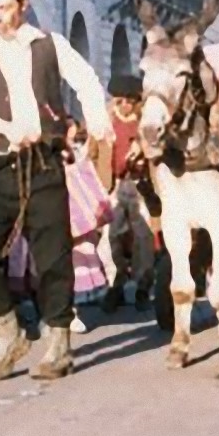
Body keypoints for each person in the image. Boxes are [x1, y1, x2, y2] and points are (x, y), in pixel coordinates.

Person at [0, 0, 112, 382]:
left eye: (6, 7)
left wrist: (96, 118)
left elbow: (88, 80)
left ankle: (58, 340)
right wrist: (3, 129)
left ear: (23, 4)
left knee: (53, 255)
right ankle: (7, 331)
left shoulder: (48, 45)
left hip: (42, 163)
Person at [94, 74, 155, 312]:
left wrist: (143, 150)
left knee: (144, 236)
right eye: (122, 100)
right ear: (116, 100)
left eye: (132, 100)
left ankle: (142, 284)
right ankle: (115, 282)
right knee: (110, 237)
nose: (127, 104)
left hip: (140, 184)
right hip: (113, 184)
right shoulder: (105, 122)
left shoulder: (145, 123)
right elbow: (92, 153)